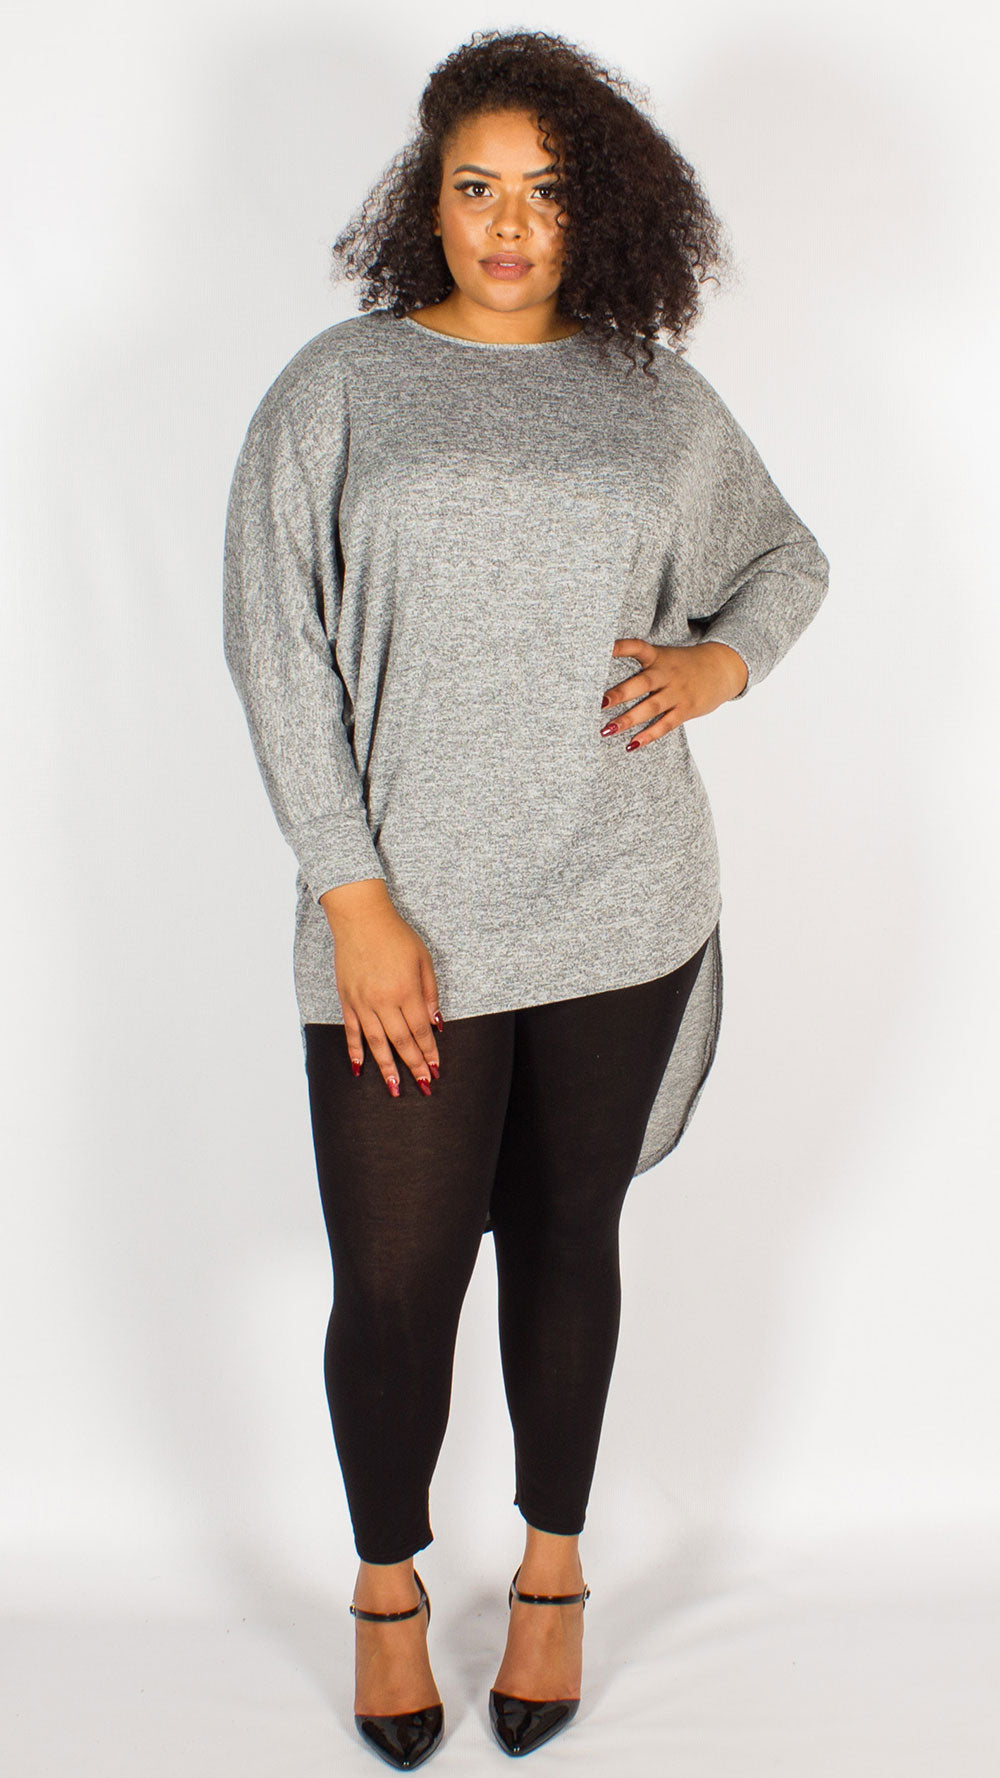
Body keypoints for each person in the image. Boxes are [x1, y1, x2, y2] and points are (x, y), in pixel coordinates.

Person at [222, 27, 829, 1770]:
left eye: (545, 193)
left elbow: (786, 556)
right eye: (474, 187)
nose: (506, 225)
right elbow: (275, 644)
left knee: (570, 1236)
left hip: (618, 893)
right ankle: (388, 1588)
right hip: (402, 916)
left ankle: (555, 1566)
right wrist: (353, 894)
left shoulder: (652, 397)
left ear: (598, 211)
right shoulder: (339, 388)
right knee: (396, 1277)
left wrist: (715, 665)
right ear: (425, 202)